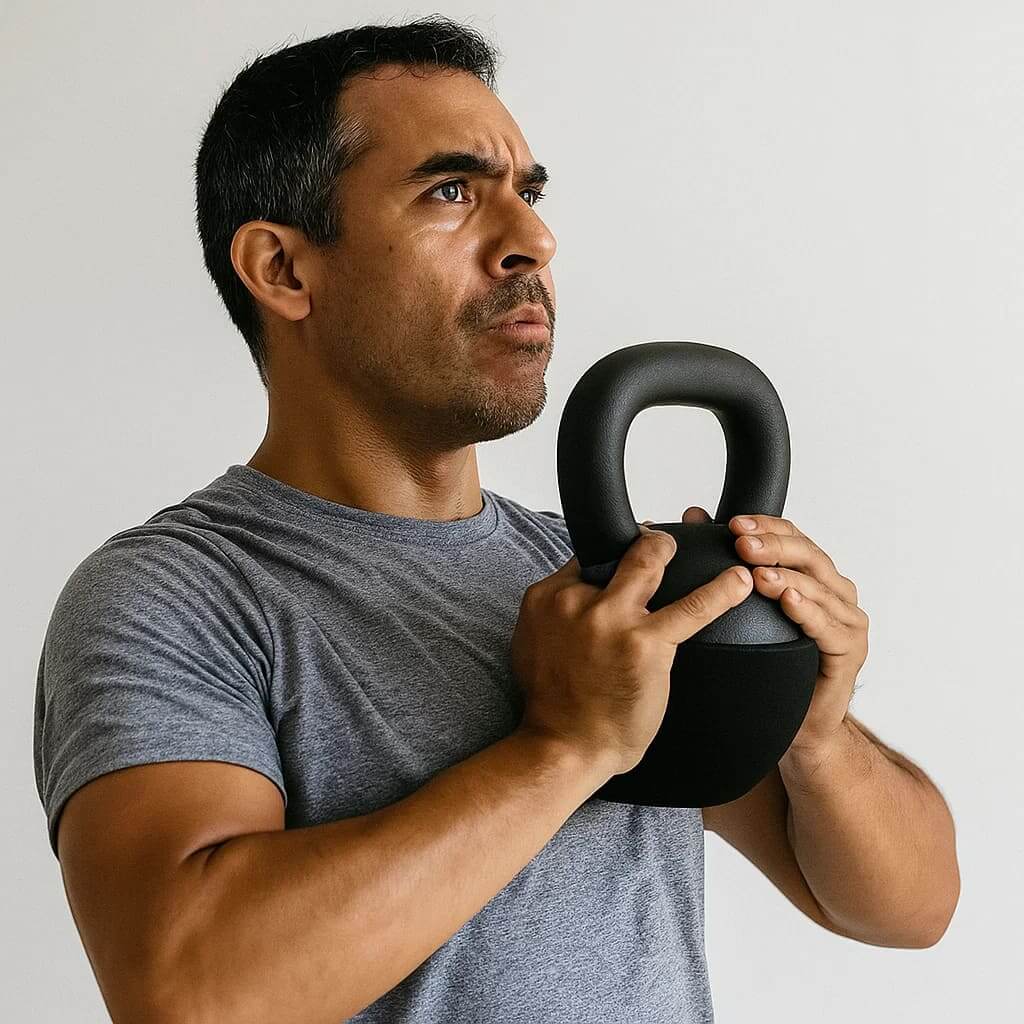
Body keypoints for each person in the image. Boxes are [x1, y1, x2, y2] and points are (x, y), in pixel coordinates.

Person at [32, 16, 959, 1024]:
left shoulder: (598, 580)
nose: (533, 241)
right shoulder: (173, 594)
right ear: (284, 269)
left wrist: (814, 729)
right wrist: (564, 746)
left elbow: (908, 908)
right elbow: (188, 993)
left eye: (530, 193)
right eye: (451, 191)